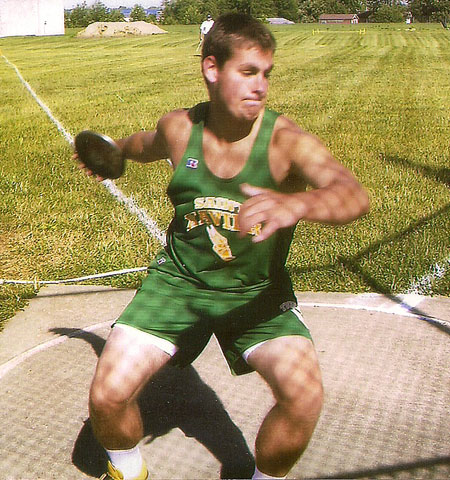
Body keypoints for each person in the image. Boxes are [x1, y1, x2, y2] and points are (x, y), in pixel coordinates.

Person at [79, 13, 369, 480]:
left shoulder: (285, 140)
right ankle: (129, 472)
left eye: (266, 75)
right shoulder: (179, 128)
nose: (260, 87)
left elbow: (352, 194)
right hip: (177, 283)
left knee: (303, 396)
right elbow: (141, 144)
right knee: (107, 395)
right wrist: (109, 151)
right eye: (248, 72)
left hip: (256, 291)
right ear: (212, 68)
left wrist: (300, 205)